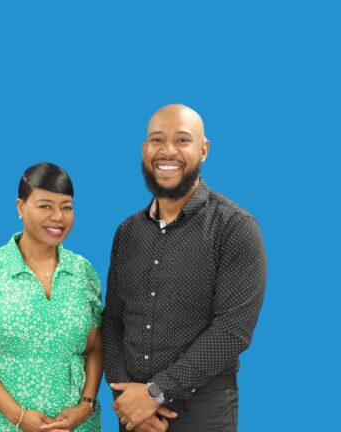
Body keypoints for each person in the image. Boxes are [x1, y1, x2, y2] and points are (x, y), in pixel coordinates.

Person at [102, 104, 267, 432]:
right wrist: (127, 394)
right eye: (157, 140)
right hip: (134, 415)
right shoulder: (127, 232)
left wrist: (156, 393)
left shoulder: (235, 227)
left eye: (182, 140)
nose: (167, 152)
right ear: (144, 149)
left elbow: (232, 330)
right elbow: (114, 320)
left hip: (202, 412)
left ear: (203, 150)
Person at [0, 162, 103, 432]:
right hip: (0, 423)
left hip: (75, 426)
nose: (58, 217)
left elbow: (95, 346)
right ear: (21, 207)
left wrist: (86, 404)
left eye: (66, 207)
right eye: (45, 205)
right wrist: (18, 415)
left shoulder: (82, 271)